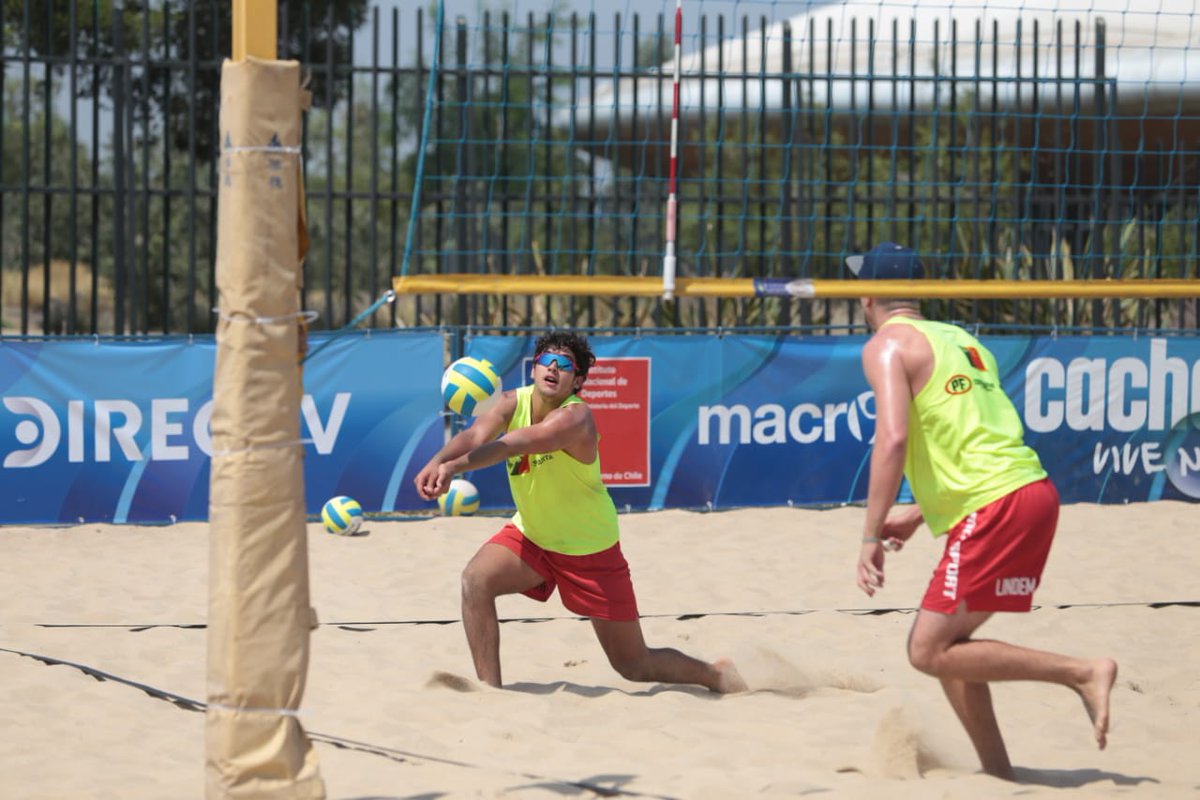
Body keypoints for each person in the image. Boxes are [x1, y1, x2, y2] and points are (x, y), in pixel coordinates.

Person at [847, 242, 1118, 780]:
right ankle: (998, 774)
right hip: (1029, 493)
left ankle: (1082, 673)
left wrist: (870, 534)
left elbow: (893, 439)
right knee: (950, 646)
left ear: (867, 295)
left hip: (996, 505)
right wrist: (922, 512)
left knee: (926, 651)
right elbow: (973, 438)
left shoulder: (886, 344)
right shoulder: (963, 340)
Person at [415, 331, 746, 694]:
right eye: (546, 361)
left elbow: (512, 444)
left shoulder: (576, 419)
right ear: (534, 368)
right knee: (476, 581)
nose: (553, 369)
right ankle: (490, 693)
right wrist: (436, 461)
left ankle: (715, 674)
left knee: (633, 664)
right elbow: (476, 435)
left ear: (579, 380)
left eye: (565, 365)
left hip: (588, 547)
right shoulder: (511, 402)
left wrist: (453, 469)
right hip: (534, 535)